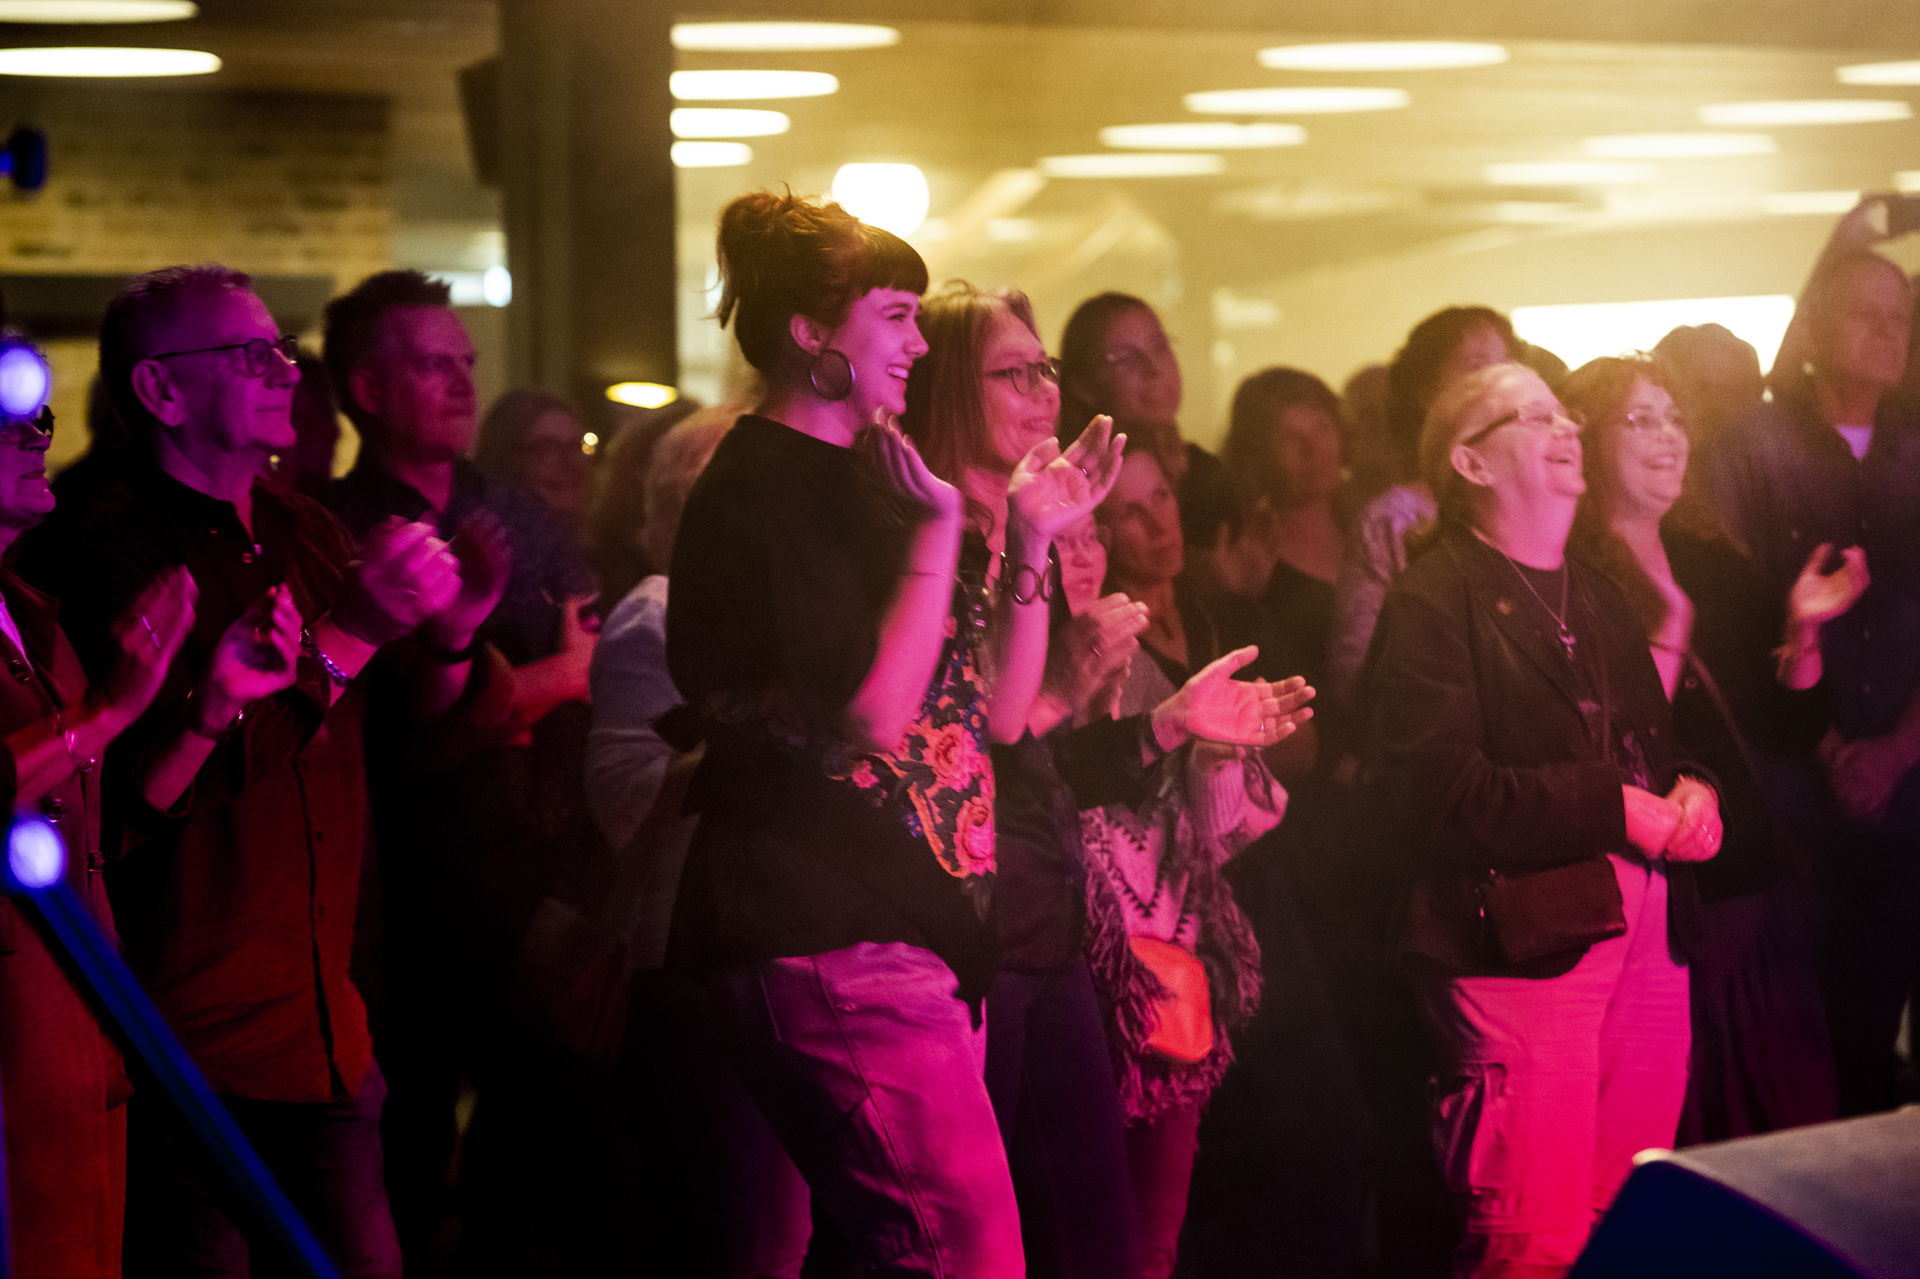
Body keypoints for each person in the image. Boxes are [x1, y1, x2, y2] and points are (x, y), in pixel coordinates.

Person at [16, 263, 510, 1278]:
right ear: (160, 391)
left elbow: (415, 749)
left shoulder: (304, 528)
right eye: (249, 354)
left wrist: (452, 640)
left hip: (325, 1019)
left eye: (281, 347)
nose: (284, 368)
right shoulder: (100, 551)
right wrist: (357, 630)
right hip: (185, 1034)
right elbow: (148, 794)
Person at [667, 191, 1112, 1274]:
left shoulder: (874, 473)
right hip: (827, 921)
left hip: (911, 925)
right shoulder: (766, 481)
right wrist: (939, 535)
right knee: (961, 1253)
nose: (920, 343)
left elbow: (994, 715)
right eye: (897, 315)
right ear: (813, 334)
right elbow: (871, 715)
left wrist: (1033, 539)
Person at [1360, 361, 1722, 1278]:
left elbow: (1654, 750)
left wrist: (1694, 792)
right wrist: (1616, 807)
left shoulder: (1597, 592)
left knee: (1627, 1226)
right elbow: (1436, 791)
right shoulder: (1434, 599)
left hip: (1641, 939)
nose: (1565, 427)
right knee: (1534, 1240)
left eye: (1564, 412)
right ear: (1471, 464)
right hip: (1521, 948)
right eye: (1531, 416)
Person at [320, 269, 600, 1273]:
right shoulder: (336, 529)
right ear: (365, 389)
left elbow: (591, 658)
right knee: (409, 1142)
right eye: (430, 364)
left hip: (537, 869)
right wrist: (543, 682)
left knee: (546, 1151)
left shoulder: (515, 511)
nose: (457, 382)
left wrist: (538, 686)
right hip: (403, 887)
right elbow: (390, 725)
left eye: (465, 363)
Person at [1564, 353, 1861, 1142]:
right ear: (1586, 442)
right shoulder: (1571, 578)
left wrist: (1803, 632)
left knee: (1787, 1133)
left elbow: (1785, 729)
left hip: (1753, 894)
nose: (1667, 436)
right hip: (1655, 913)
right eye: (1640, 418)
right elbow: (1616, 747)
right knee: (1681, 1137)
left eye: (1674, 416)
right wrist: (1668, 629)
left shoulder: (1712, 562)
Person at [1698, 235, 1920, 1118]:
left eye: (1900, 316)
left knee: (1881, 1020)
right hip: (1791, 785)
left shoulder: (1916, 448)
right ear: (1813, 328)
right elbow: (1735, 613)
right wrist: (1829, 745)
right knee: (1800, 1031)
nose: (1888, 331)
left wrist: (1897, 751)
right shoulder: (1749, 450)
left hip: (1910, 783)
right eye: (1866, 313)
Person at [0, 398, 197, 1279]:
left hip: (77, 1044)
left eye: (38, 415)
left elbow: (96, 822)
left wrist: (212, 708)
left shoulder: (32, 615)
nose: (36, 436)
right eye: (5, 419)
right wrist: (106, 712)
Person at [1326, 306, 1520, 704]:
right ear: (1425, 392)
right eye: (1476, 366)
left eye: (1507, 366)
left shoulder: (1543, 497)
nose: (1498, 382)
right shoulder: (1393, 520)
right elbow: (1355, 672)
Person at [1217, 365, 1347, 676]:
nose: (1313, 449)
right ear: (1257, 455)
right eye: (1289, 438)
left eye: (1321, 428)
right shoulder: (1250, 556)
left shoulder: (1374, 525)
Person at [475, 387, 593, 532]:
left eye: (574, 446)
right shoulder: (495, 545)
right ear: (507, 458)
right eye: (547, 448)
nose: (569, 463)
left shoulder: (586, 543)